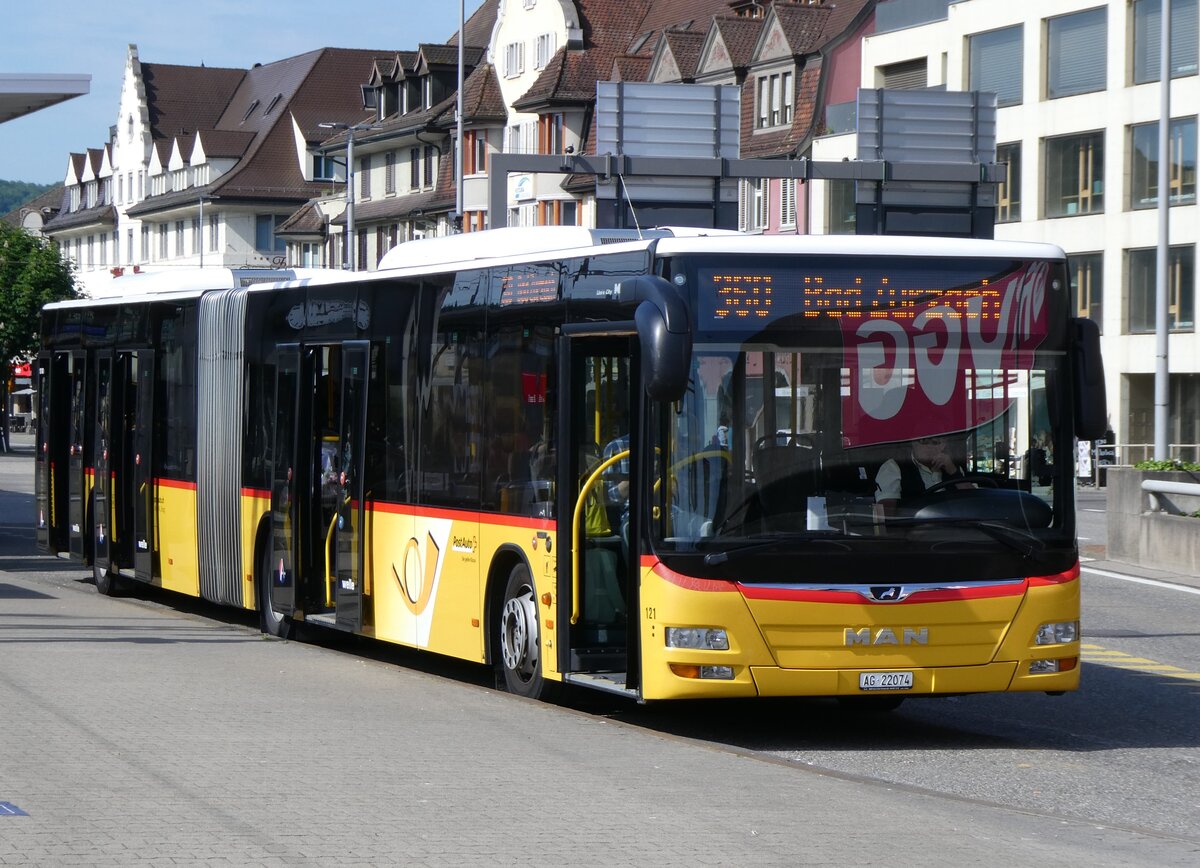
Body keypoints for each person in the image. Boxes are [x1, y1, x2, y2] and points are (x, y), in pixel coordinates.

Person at [874, 434, 966, 516]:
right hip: (911, 531)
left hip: (955, 530)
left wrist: (954, 472)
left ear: (943, 445)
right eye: (923, 441)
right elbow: (885, 516)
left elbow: (974, 503)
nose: (929, 447)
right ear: (913, 442)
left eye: (935, 442)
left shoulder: (953, 467)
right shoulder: (893, 467)